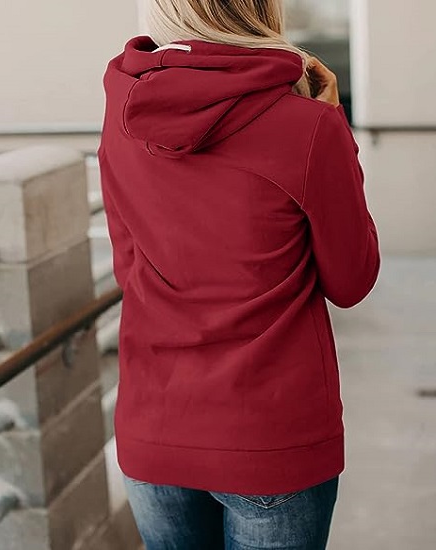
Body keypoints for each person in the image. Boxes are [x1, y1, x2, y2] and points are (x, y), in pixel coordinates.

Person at [97, 1, 381, 548]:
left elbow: (127, 269)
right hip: (269, 439)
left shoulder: (122, 110)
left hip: (153, 430)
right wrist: (335, 131)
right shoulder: (309, 126)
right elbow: (352, 281)